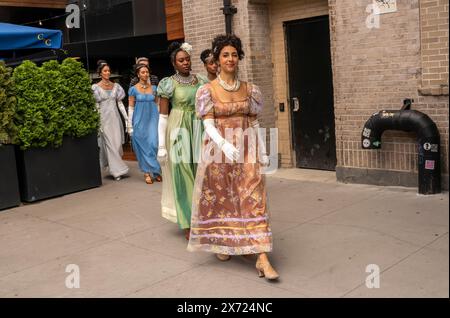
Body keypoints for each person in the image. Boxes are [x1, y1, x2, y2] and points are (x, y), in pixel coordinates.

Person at [187, 34, 279, 280]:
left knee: (253, 198)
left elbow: (254, 121)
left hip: (248, 151)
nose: (230, 59)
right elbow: (207, 124)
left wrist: (263, 151)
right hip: (219, 153)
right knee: (224, 200)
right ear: (216, 60)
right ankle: (225, 243)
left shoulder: (250, 90)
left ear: (239, 58)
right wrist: (224, 145)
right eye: (225, 55)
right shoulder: (207, 91)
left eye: (234, 54)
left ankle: (262, 258)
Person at [157, 42, 208, 240]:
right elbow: (162, 116)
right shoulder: (168, 83)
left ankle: (203, 217)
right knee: (182, 174)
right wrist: (161, 145)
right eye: (181, 60)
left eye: (187, 59)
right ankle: (187, 222)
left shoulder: (201, 80)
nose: (186, 63)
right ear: (174, 63)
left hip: (199, 127)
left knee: (200, 172)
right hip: (178, 128)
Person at [92, 60, 130, 181]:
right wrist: (98, 123)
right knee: (109, 144)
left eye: (109, 70)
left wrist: (127, 119)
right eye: (105, 71)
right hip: (104, 119)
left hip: (115, 119)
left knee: (117, 144)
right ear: (100, 73)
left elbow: (120, 104)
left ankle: (116, 167)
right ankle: (116, 171)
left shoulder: (116, 86)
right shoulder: (95, 88)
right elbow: (96, 107)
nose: (108, 72)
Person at [128, 64, 162, 184]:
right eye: (143, 72)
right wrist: (129, 125)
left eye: (147, 72)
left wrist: (161, 121)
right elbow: (131, 107)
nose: (145, 74)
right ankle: (147, 172)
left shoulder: (154, 88)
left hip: (153, 118)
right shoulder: (133, 89)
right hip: (139, 119)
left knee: (153, 144)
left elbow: (158, 104)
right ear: (138, 74)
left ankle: (156, 170)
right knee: (142, 146)